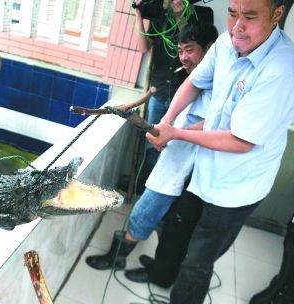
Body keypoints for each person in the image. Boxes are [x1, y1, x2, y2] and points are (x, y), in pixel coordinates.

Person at [146, 0, 294, 303]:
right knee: (177, 230)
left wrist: (177, 133)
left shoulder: (282, 70)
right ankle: (161, 277)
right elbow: (194, 82)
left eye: (249, 16)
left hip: (236, 185)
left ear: (276, 14)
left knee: (198, 259)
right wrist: (165, 123)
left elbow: (241, 141)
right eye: (233, 13)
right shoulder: (226, 43)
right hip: (204, 166)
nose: (237, 26)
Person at [85, 22, 219, 272]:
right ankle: (159, 265)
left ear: (210, 48)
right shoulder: (195, 81)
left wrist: (171, 134)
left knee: (142, 215)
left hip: (179, 171)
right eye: (180, 51)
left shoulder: (218, 85)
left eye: (189, 50)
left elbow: (215, 124)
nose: (184, 57)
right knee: (163, 222)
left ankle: (116, 260)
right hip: (173, 161)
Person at [121, 0, 213, 193]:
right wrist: (138, 14)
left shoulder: (203, 15)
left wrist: (181, 19)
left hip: (184, 98)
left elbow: (192, 44)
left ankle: (164, 192)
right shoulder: (160, 17)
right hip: (159, 91)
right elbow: (143, 47)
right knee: (152, 144)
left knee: (175, 147)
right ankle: (144, 188)